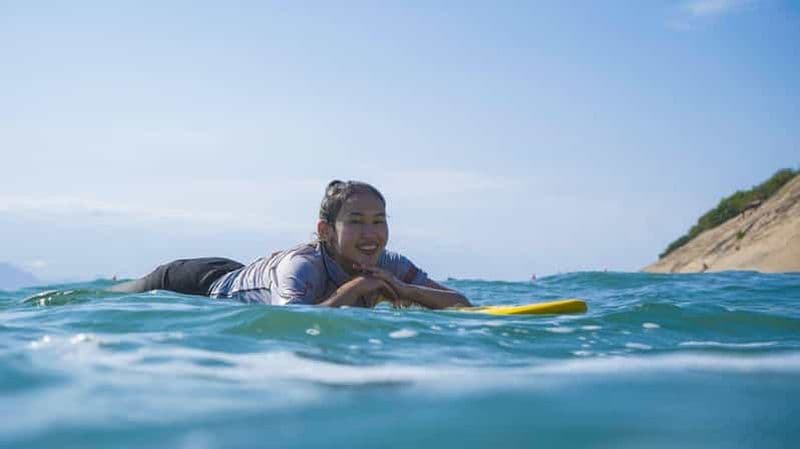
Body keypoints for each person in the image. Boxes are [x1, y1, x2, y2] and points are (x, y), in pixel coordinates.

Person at [110, 180, 471, 309]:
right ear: (326, 230)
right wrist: (357, 288)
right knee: (115, 297)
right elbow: (292, 324)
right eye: (356, 222)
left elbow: (460, 302)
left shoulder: (390, 263)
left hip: (246, 276)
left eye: (379, 221)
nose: (371, 233)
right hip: (194, 284)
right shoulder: (301, 266)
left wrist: (404, 288)